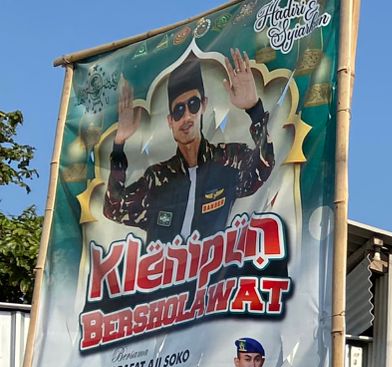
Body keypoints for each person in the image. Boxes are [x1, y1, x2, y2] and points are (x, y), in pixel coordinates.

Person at [104, 51, 274, 244]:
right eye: (178, 110)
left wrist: (254, 109)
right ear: (170, 121)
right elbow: (114, 208)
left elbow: (263, 166)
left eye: (193, 105)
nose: (186, 117)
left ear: (203, 105)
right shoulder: (157, 178)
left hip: (215, 269)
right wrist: (119, 144)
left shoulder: (228, 159)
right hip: (164, 271)